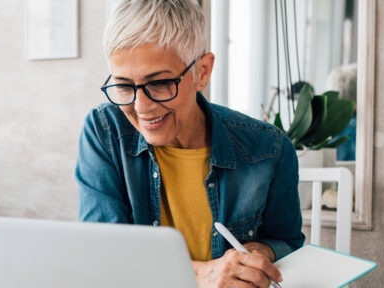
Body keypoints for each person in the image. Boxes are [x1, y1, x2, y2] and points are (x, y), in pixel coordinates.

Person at [75, 0, 305, 287]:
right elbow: (103, 251)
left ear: (203, 71)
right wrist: (202, 273)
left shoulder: (269, 147)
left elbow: (288, 242)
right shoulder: (105, 130)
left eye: (159, 83)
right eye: (123, 86)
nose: (141, 106)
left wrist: (261, 252)